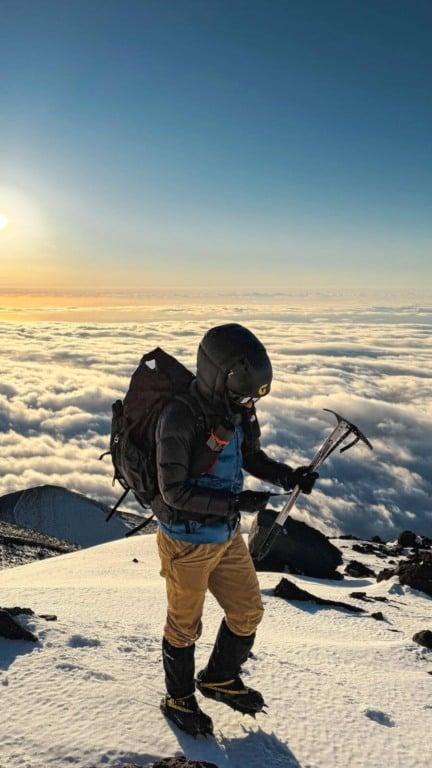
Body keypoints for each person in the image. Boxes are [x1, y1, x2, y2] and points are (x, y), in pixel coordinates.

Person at [153, 323, 318, 736]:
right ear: (217, 376)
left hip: (226, 535)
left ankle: (218, 678)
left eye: (251, 396)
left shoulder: (238, 410)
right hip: (185, 540)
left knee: (247, 612)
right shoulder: (178, 416)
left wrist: (287, 476)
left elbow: (252, 457)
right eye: (241, 392)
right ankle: (178, 697)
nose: (247, 402)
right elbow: (172, 492)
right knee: (184, 625)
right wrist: (234, 503)